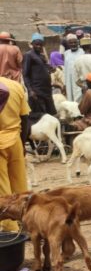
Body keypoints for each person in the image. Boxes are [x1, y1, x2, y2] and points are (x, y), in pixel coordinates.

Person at [0, 74, 29, 231]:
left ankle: (9, 227)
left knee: (2, 187)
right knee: (20, 183)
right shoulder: (15, 86)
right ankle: (28, 222)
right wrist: (23, 143)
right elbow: (25, 118)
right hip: (15, 139)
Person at [22, 33, 55, 115]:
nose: (39, 46)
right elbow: (25, 74)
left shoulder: (41, 56)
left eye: (40, 45)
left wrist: (50, 68)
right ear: (32, 44)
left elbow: (43, 67)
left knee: (49, 113)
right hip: (36, 90)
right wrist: (30, 90)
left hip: (46, 89)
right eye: (36, 44)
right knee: (38, 114)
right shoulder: (28, 55)